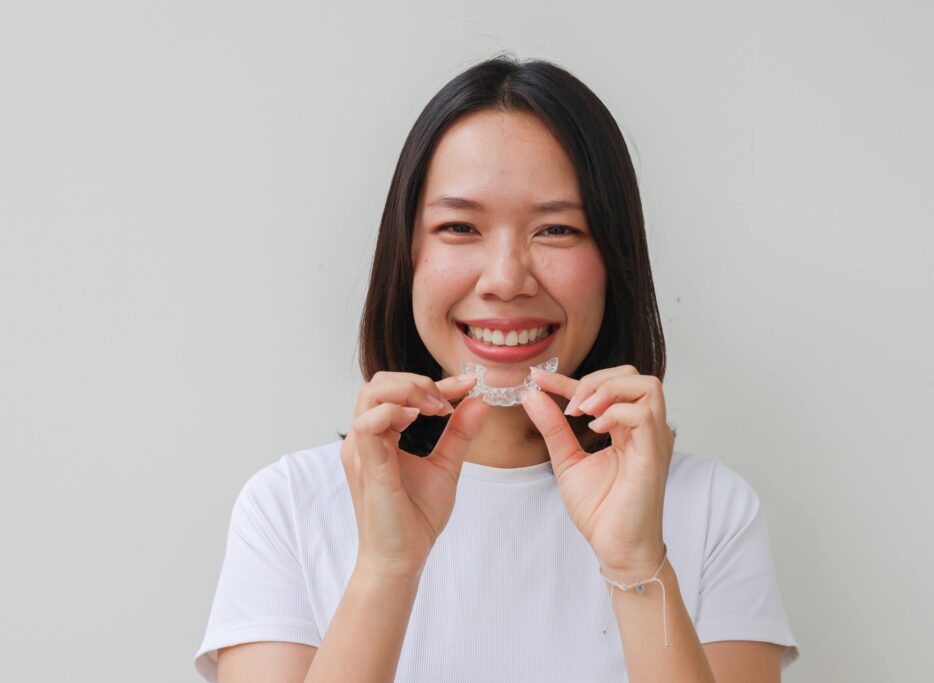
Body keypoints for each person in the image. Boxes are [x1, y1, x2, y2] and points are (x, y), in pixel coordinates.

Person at [195, 54, 800, 682]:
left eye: (557, 230)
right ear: (407, 256)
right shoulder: (287, 509)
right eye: (459, 226)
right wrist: (386, 568)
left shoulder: (712, 509)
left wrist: (636, 565)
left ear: (615, 259)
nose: (506, 280)